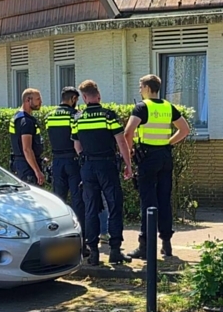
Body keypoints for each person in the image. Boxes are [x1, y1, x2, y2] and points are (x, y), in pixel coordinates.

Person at [123, 74, 190, 259]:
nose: (139, 90)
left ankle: (145, 246)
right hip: (165, 157)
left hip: (147, 157)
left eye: (140, 86)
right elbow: (185, 130)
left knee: (148, 202)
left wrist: (129, 153)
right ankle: (166, 245)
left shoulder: (142, 107)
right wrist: (167, 143)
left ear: (146, 87)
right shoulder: (169, 106)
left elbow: (128, 132)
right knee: (164, 200)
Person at [72, 79, 133, 265]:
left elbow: (77, 145)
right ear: (98, 95)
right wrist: (128, 165)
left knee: (91, 208)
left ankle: (94, 253)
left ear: (83, 98)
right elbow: (121, 142)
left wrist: (86, 160)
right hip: (107, 166)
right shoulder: (108, 115)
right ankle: (115, 251)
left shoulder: (78, 118)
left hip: (88, 168)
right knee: (114, 205)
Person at [46, 86, 85, 224]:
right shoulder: (75, 115)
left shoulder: (49, 116)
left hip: (56, 162)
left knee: (58, 200)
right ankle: (81, 234)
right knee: (77, 199)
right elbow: (79, 138)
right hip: (73, 161)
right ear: (73, 98)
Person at [9, 88, 44, 185]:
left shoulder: (17, 116)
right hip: (27, 167)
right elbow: (27, 149)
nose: (41, 102)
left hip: (20, 164)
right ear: (28, 100)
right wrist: (37, 171)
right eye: (38, 99)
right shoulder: (26, 121)